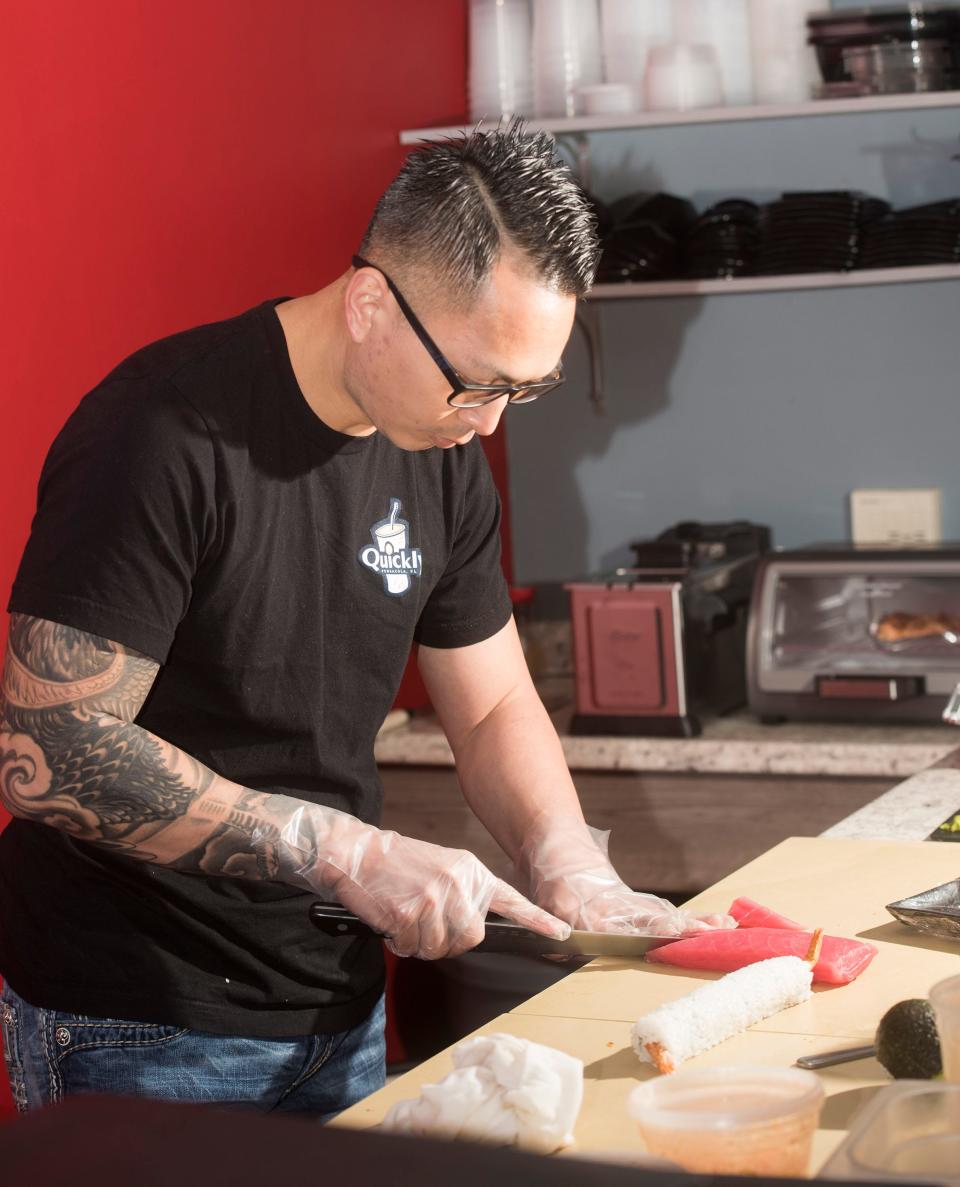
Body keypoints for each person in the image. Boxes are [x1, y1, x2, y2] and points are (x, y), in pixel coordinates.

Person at [0, 122, 731, 1119]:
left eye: (524, 390)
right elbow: (48, 743)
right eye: (476, 381)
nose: (489, 421)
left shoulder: (441, 454)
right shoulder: (163, 432)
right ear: (371, 303)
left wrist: (569, 861)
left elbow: (489, 705)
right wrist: (349, 853)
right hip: (144, 1017)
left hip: (335, 1006)